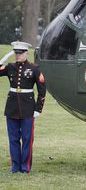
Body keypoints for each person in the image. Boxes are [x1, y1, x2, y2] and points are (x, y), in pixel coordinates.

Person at [0, 41, 46, 173]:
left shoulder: (34, 68)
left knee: (27, 139)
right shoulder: (10, 67)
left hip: (28, 108)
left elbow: (42, 90)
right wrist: (3, 59)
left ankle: (25, 167)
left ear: (26, 53)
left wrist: (38, 109)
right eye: (16, 53)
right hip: (12, 108)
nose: (18, 55)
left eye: (20, 53)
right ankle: (15, 166)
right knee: (13, 139)